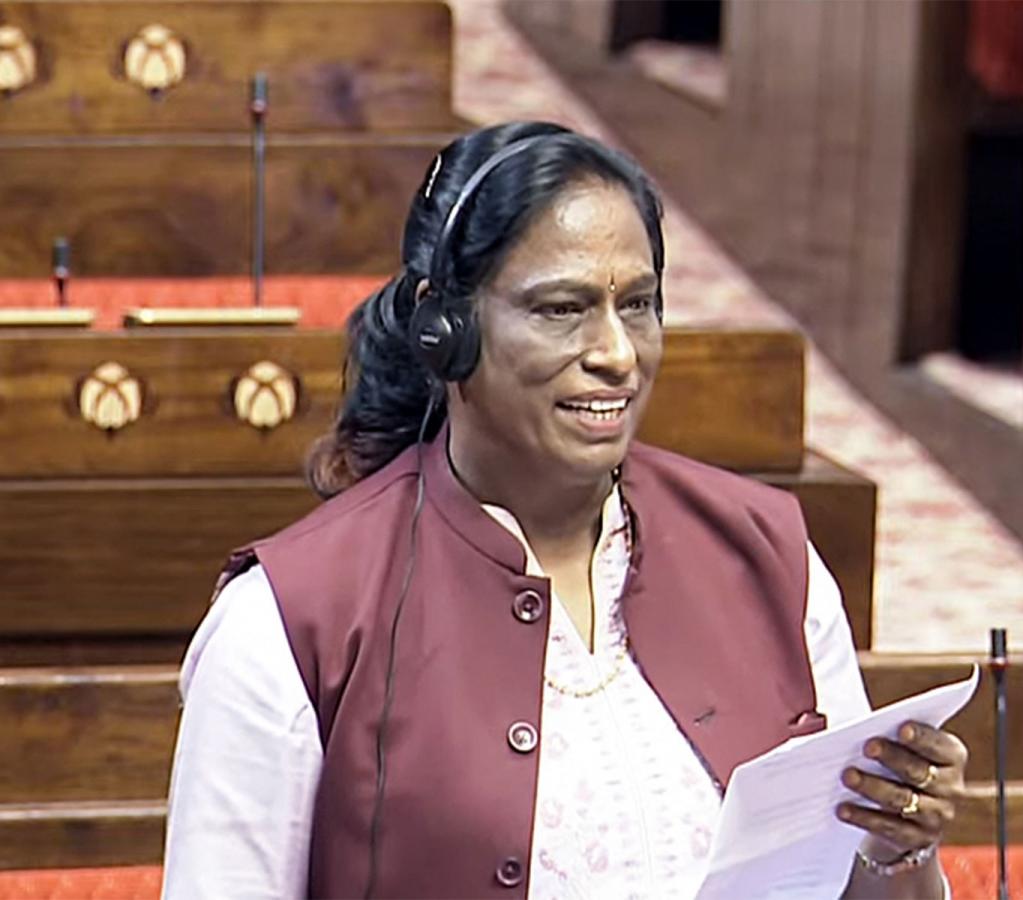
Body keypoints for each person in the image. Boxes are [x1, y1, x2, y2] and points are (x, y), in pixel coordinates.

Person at [162, 121, 968, 899]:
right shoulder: (287, 622)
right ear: (446, 329)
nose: (617, 355)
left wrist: (895, 848)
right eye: (561, 309)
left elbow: (844, 883)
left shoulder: (768, 555)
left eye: (639, 305)